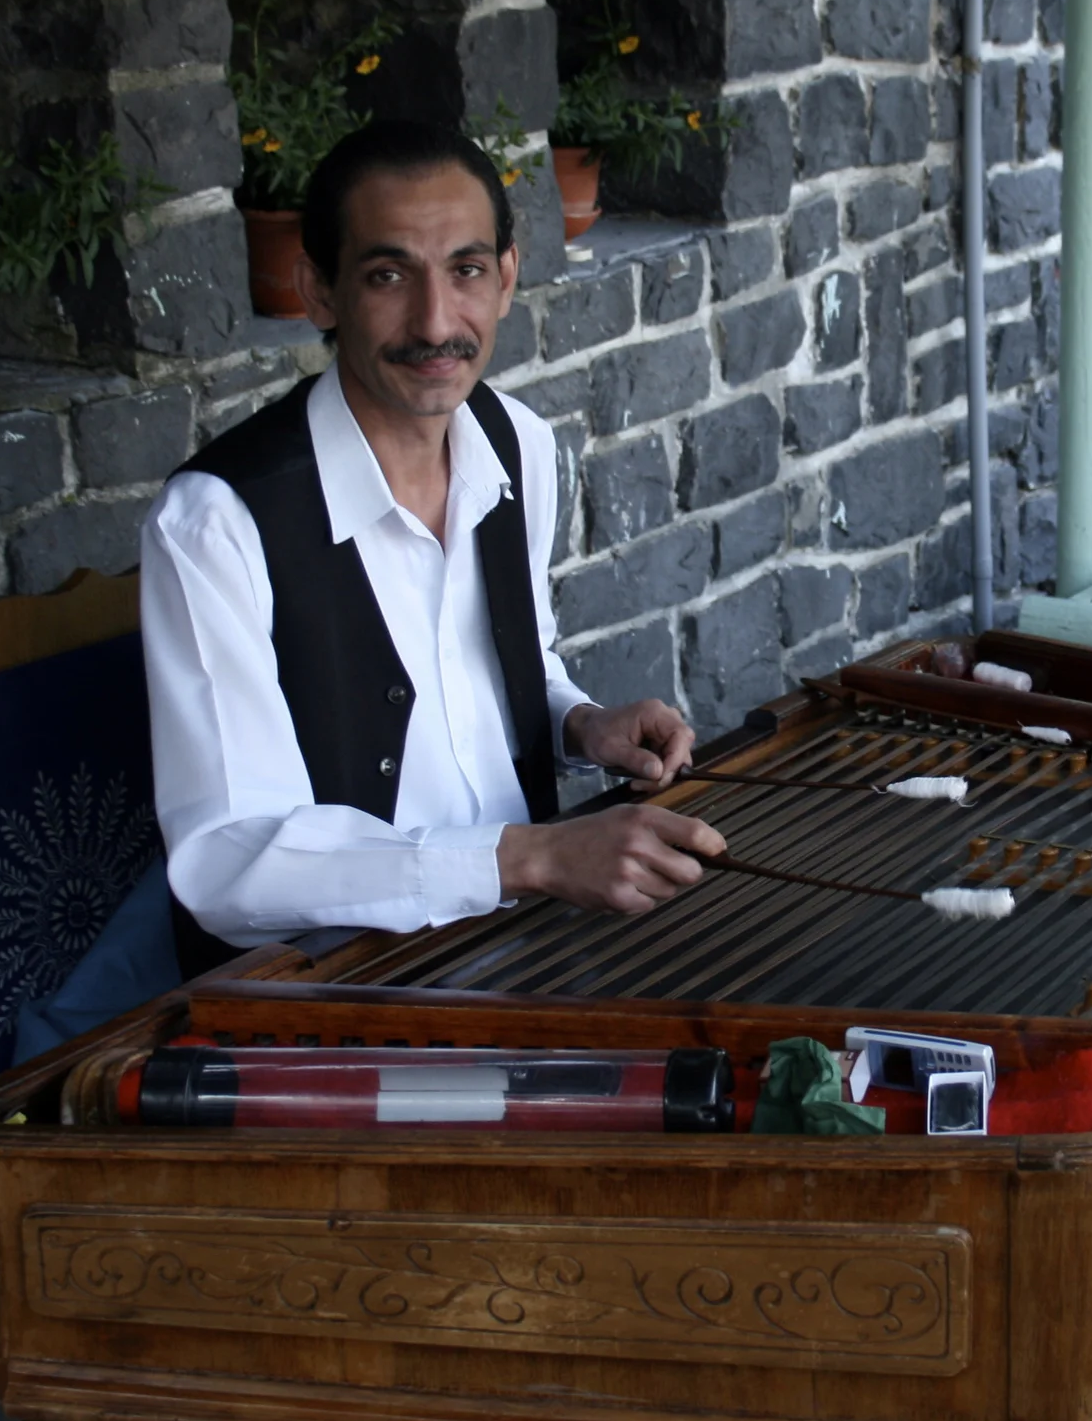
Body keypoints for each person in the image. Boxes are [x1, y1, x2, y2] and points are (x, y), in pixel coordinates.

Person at [141, 117, 725, 952]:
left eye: (467, 270)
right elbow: (228, 862)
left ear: (507, 277)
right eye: (388, 274)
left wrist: (579, 722)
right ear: (318, 291)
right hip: (336, 997)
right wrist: (527, 856)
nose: (435, 321)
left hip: (534, 940)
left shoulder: (517, 444)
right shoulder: (215, 524)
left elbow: (493, 669)